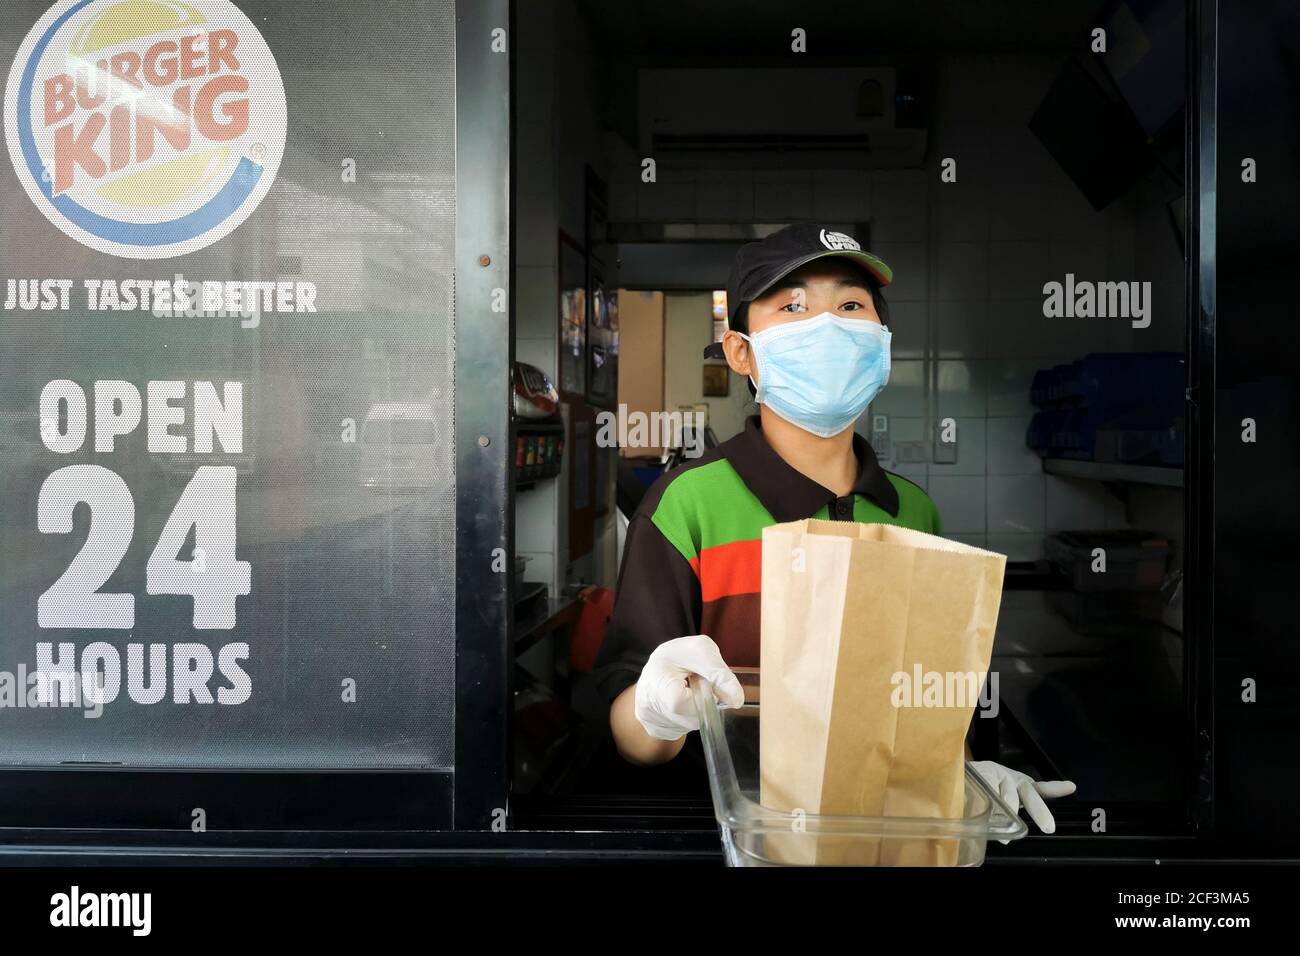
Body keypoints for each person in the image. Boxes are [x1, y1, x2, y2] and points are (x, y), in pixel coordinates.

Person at [591, 223, 1075, 834]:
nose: (826, 326)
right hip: (733, 841)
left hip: (887, 838)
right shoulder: (688, 503)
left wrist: (967, 775)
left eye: (850, 306)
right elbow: (628, 729)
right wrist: (658, 714)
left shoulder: (912, 512)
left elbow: (932, 695)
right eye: (792, 305)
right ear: (742, 352)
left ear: (879, 342)